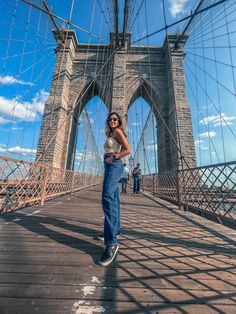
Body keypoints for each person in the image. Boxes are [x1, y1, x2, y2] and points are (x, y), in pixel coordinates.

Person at [99, 112, 131, 267]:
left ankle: (111, 242)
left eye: (115, 119)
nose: (112, 121)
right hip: (108, 164)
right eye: (110, 119)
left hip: (114, 164)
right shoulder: (110, 133)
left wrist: (115, 157)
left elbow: (128, 149)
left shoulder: (118, 131)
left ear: (118, 121)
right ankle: (114, 230)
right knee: (114, 198)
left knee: (107, 197)